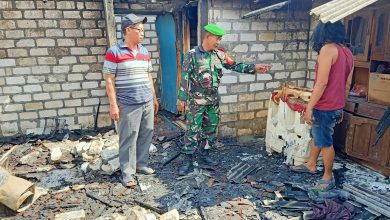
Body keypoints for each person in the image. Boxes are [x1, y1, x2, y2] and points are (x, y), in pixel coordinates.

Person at [177, 24, 271, 176]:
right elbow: (185, 79)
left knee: (211, 129)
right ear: (207, 37)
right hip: (196, 102)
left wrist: (254, 68)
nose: (218, 42)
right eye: (217, 38)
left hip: (213, 101)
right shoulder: (192, 55)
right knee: (192, 130)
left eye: (220, 39)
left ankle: (205, 155)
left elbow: (235, 65)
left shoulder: (219, 55)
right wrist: (181, 100)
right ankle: (188, 159)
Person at [291, 21, 354, 191]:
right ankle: (311, 164)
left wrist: (309, 107)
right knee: (317, 135)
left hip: (325, 105)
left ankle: (328, 176)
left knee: (325, 141)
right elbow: (347, 84)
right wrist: (341, 106)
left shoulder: (328, 49)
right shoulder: (348, 52)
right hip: (336, 105)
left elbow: (321, 83)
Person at [103, 14, 159, 187]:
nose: (142, 33)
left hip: (146, 100)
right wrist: (113, 105)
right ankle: (127, 173)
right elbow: (109, 79)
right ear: (128, 30)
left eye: (143, 30)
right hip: (128, 103)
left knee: (146, 132)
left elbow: (148, 75)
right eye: (139, 30)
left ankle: (141, 164)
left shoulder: (144, 51)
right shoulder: (114, 52)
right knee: (128, 137)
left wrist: (154, 98)